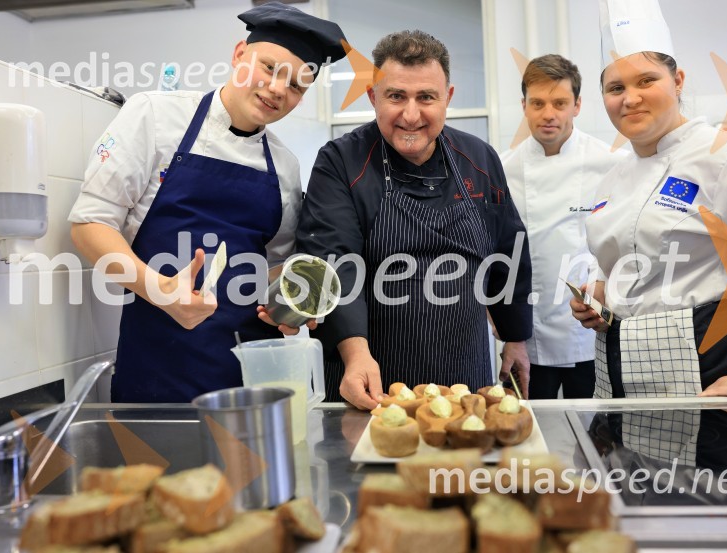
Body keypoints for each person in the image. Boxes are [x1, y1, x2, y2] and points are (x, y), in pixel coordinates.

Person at [68, 2, 347, 402]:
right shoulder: (156, 116)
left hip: (252, 382)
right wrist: (161, 289)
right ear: (239, 55)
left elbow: (270, 268)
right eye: (270, 68)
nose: (277, 90)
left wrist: (290, 306)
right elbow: (89, 226)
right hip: (158, 372)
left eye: (297, 86)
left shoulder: (284, 166)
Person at [570, 0, 727, 399]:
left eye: (646, 81)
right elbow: (618, 263)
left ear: (678, 80)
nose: (630, 98)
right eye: (616, 88)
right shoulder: (613, 178)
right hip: (616, 370)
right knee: (624, 462)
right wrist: (598, 297)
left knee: (700, 463)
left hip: (706, 366)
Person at [296, 30, 533, 410]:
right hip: (371, 377)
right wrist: (354, 354)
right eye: (395, 96)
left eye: (426, 97)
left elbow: (509, 252)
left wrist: (516, 338)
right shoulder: (341, 161)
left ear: (448, 98)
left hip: (465, 379)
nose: (411, 115)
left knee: (459, 466)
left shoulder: (479, 158)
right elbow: (334, 263)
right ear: (373, 97)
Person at [500, 54, 627, 399]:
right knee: (527, 433)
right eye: (538, 103)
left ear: (577, 105)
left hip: (592, 327)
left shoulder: (612, 163)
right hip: (528, 332)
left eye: (560, 103)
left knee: (597, 436)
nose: (548, 114)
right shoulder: (502, 169)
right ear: (524, 105)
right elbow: (497, 249)